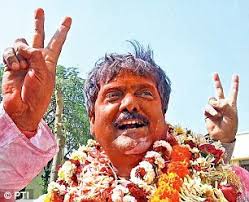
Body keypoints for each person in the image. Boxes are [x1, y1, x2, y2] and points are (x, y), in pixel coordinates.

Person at [0, 8, 247, 201]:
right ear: (92, 122)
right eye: (113, 95)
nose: (130, 103)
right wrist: (19, 124)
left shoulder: (230, 187)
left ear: (164, 115)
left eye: (145, 93)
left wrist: (219, 149)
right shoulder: (59, 195)